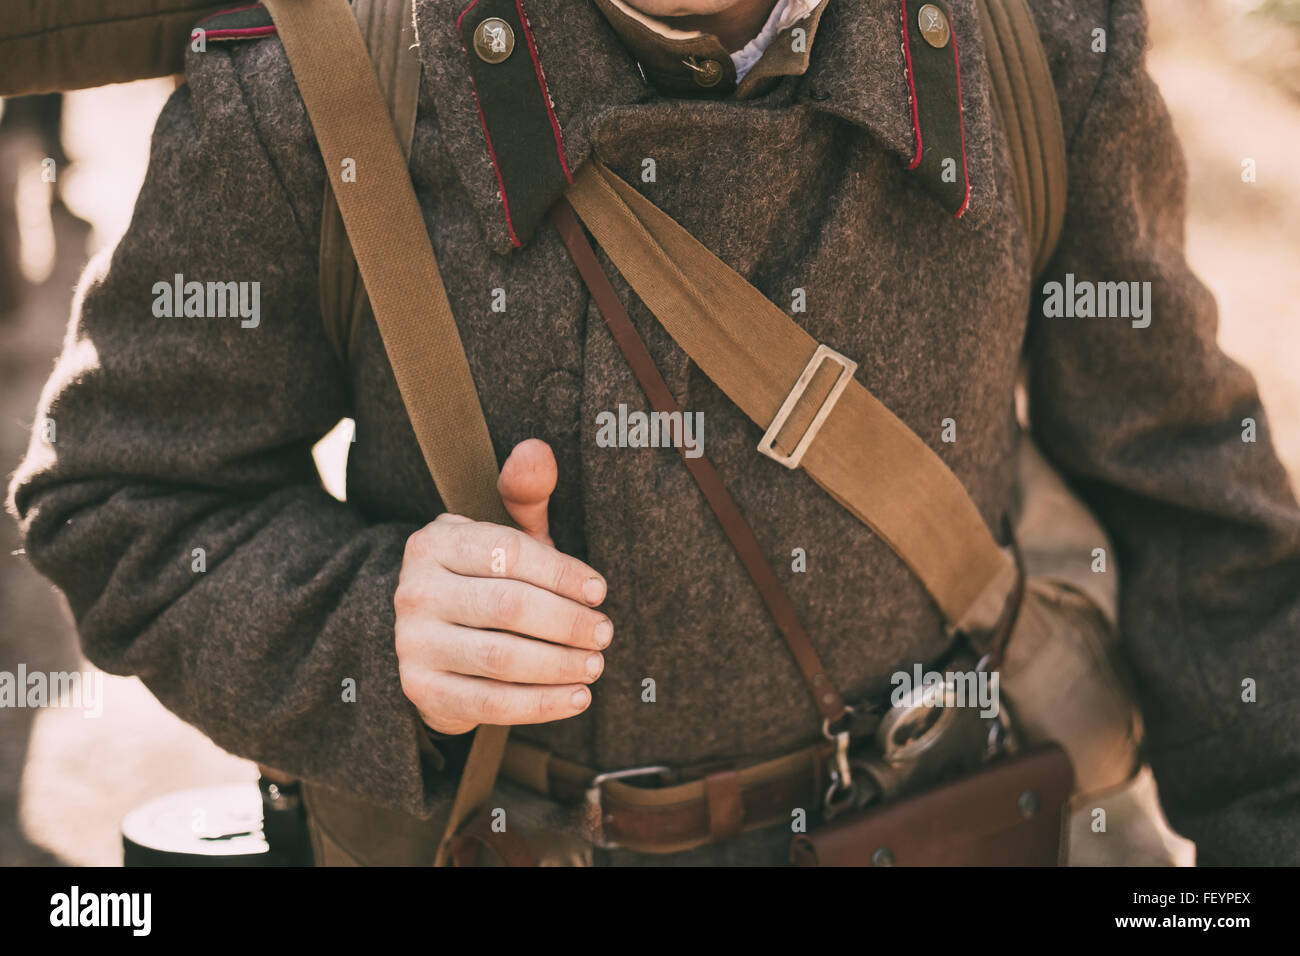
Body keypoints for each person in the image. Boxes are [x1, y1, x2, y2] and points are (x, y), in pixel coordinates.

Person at [8, 0, 1300, 865]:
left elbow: (1197, 505)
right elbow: (122, 498)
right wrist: (363, 621)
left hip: (944, 823)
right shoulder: (317, 82)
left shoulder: (1042, 49)